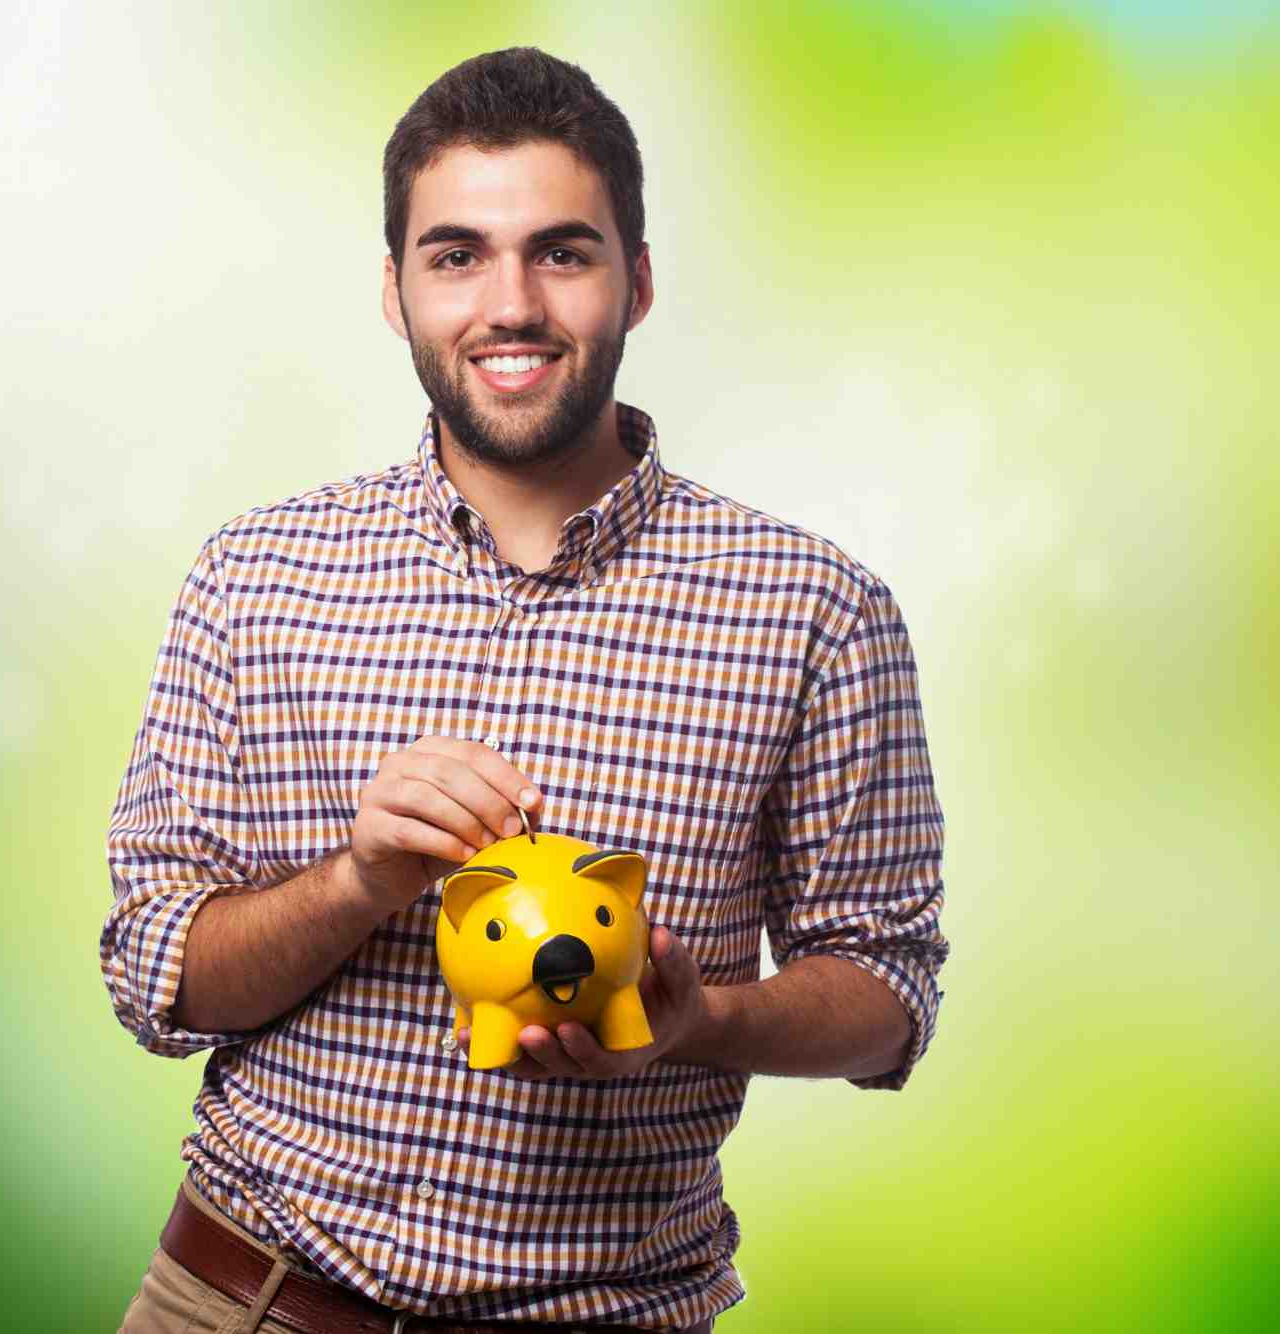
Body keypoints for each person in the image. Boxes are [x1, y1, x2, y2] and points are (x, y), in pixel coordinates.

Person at [103, 46, 950, 1334]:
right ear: (394, 289)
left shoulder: (816, 608)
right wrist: (357, 882)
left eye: (561, 252)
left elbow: (886, 996)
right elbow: (153, 981)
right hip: (243, 1300)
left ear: (638, 280)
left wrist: (697, 1020)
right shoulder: (254, 576)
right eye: (457, 256)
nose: (511, 305)